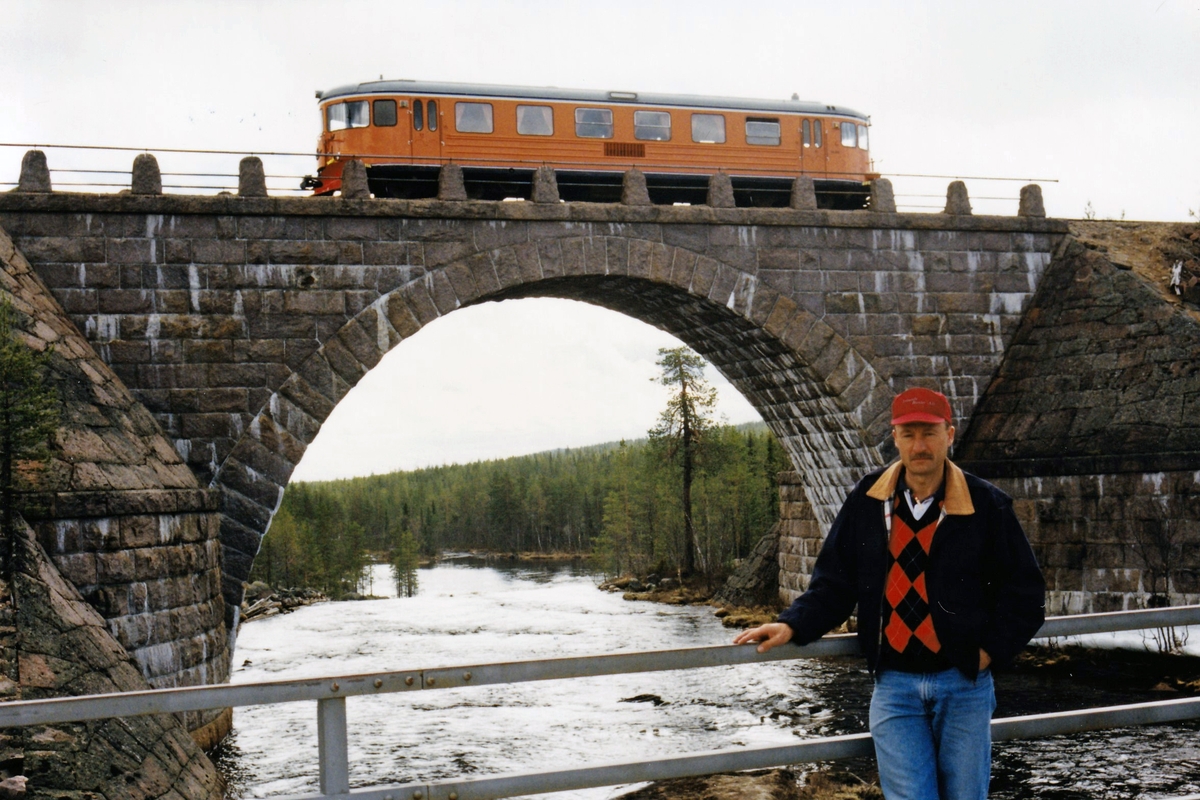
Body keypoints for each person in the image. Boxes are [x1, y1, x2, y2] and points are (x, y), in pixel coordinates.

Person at [734, 387, 1045, 800]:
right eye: (909, 434)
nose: (920, 446)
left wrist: (986, 653)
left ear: (949, 434)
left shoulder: (987, 506)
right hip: (895, 688)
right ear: (894, 437)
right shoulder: (867, 501)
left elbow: (1025, 595)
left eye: (930, 433)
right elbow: (834, 584)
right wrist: (792, 625)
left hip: (963, 687)